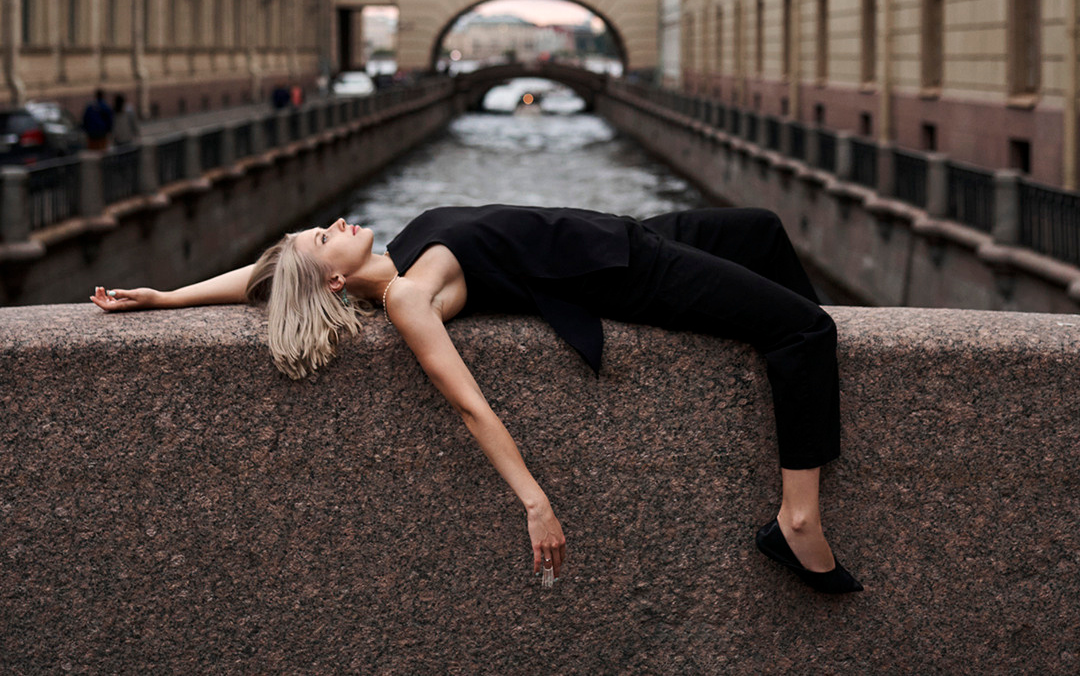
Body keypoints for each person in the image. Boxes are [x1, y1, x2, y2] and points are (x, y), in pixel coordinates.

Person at [90, 204, 862, 595]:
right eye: (325, 238)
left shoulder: (396, 251)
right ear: (333, 279)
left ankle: (803, 388)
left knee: (759, 230)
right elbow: (470, 406)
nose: (333, 224)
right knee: (803, 333)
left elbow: (266, 276)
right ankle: (797, 520)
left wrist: (165, 297)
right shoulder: (411, 296)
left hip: (621, 233)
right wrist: (534, 501)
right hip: (632, 275)